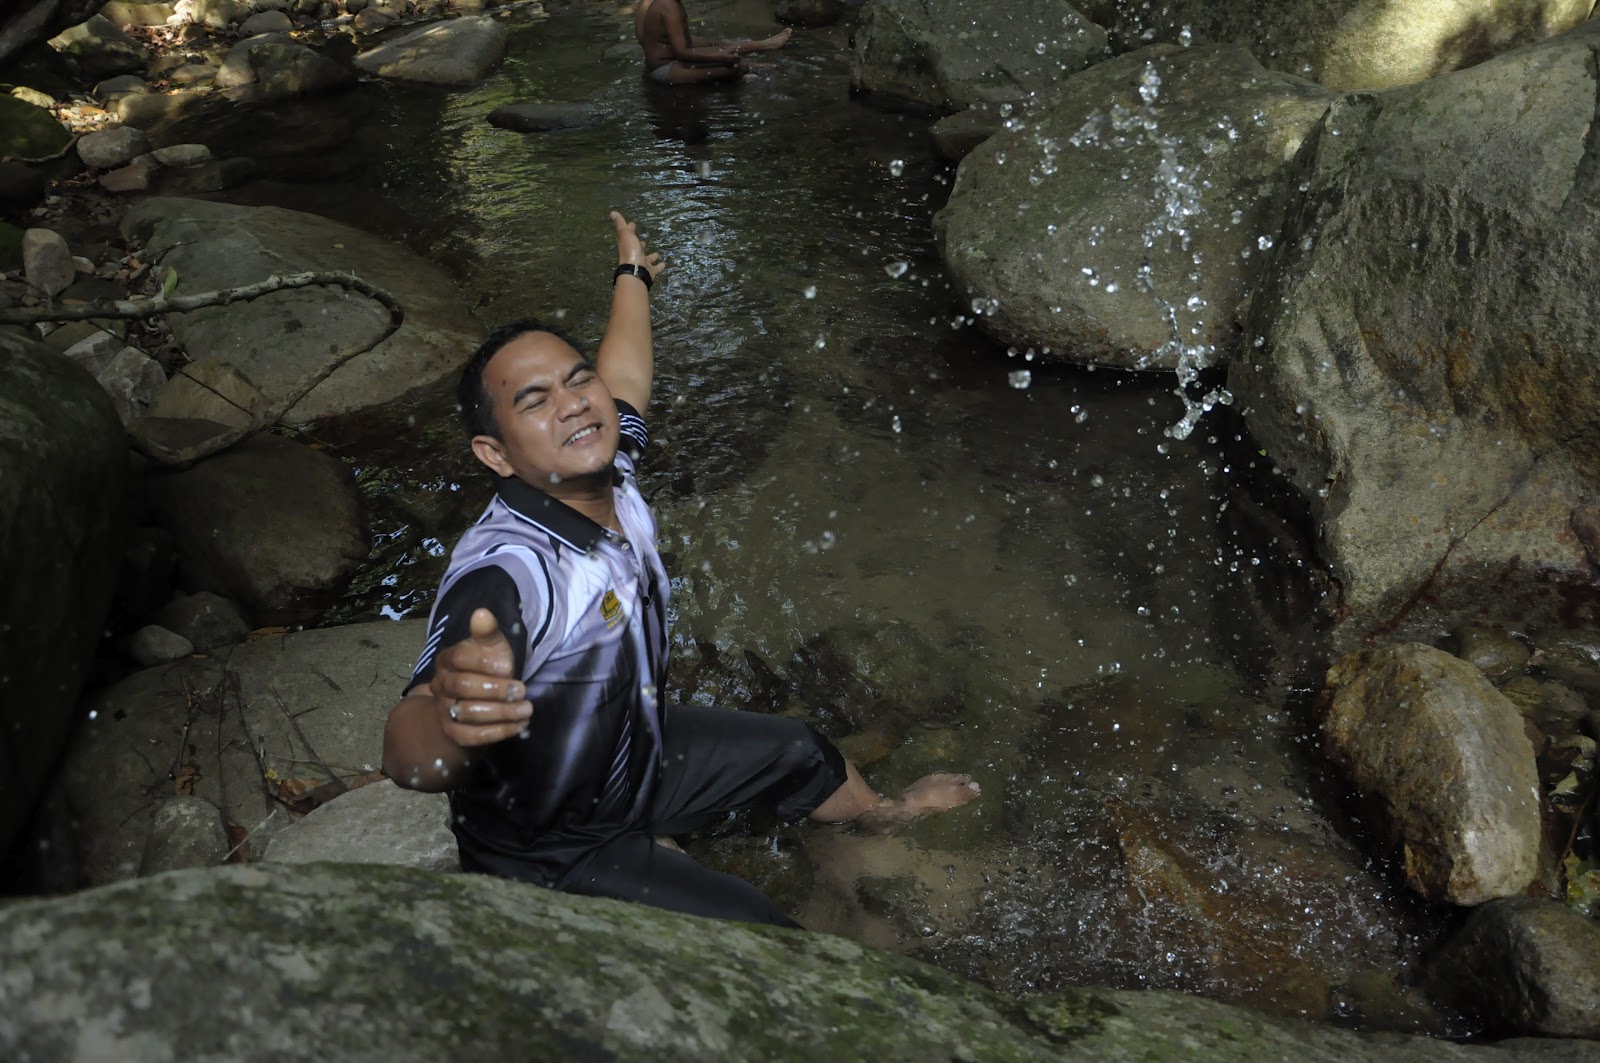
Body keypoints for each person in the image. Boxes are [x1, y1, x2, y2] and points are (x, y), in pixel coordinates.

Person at [383, 211, 980, 928]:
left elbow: (626, 380)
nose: (574, 404)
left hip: (631, 755)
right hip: (553, 843)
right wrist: (449, 721)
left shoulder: (606, 472)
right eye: (535, 401)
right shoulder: (511, 571)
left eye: (576, 381)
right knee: (766, 935)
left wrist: (632, 275)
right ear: (496, 454)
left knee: (801, 749)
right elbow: (406, 747)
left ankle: (880, 817)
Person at [634, 0, 791, 85]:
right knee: (734, 68)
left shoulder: (671, 3)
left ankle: (753, 64)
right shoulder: (668, 6)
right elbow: (682, 52)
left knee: (723, 52)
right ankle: (739, 75)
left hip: (673, 61)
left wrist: (718, 54)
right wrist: (719, 57)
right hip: (664, 69)